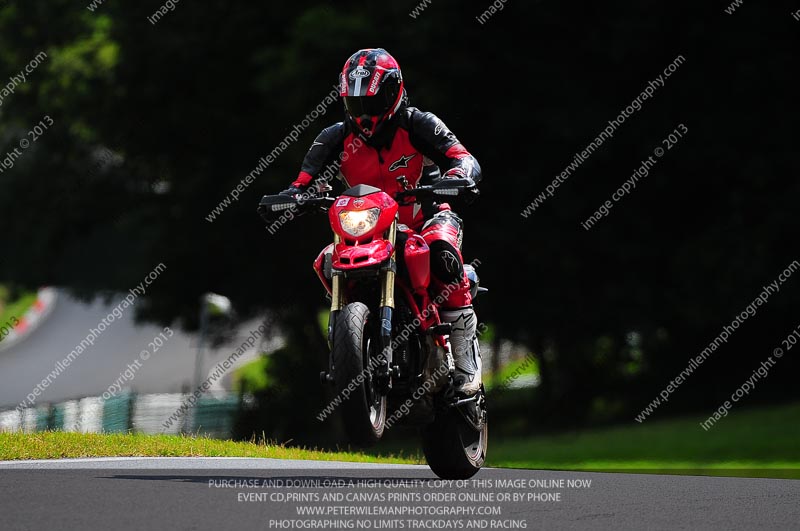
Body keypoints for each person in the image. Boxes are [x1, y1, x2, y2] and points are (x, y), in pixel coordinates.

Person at [280, 48, 483, 395]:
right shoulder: (333, 137)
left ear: (393, 92)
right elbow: (302, 181)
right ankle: (352, 348)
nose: (365, 115)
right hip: (367, 229)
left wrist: (460, 176)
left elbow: (462, 157)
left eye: (373, 103)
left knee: (443, 252)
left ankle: (465, 359)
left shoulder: (420, 123)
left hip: (426, 217)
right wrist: (292, 197)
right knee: (327, 261)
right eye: (357, 105)